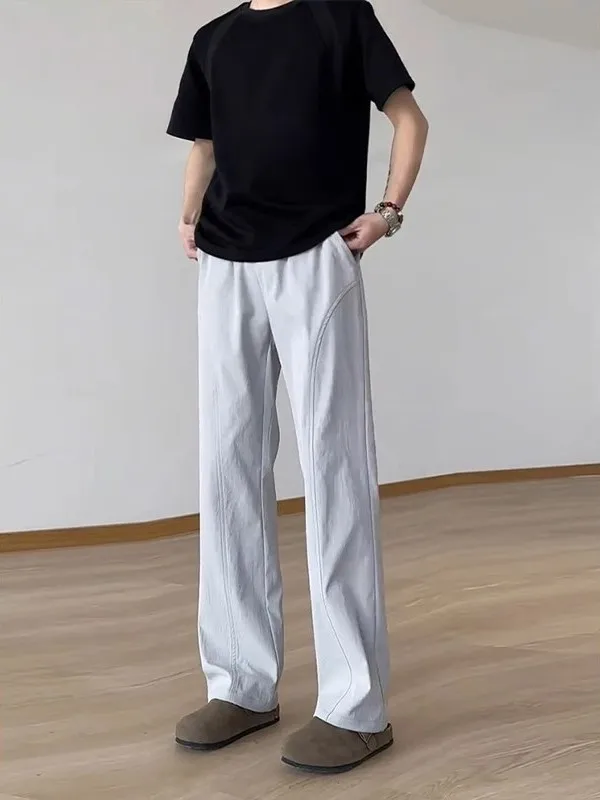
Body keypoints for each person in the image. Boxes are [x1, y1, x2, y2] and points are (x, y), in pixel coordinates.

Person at [166, 0, 428, 774]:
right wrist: (187, 214)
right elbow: (206, 143)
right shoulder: (213, 39)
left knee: (334, 464)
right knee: (227, 465)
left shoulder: (340, 17)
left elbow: (409, 118)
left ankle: (356, 706)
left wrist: (387, 214)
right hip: (225, 263)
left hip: (316, 255)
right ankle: (241, 684)